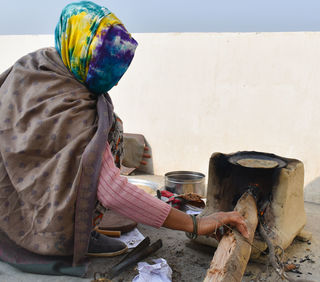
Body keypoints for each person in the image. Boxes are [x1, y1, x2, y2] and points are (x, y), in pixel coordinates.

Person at [0, 1, 248, 276]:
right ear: (84, 54)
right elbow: (112, 191)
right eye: (105, 67)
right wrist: (195, 224)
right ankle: (69, 236)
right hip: (44, 228)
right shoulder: (76, 111)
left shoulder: (34, 66)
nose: (114, 81)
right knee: (108, 127)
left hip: (11, 206)